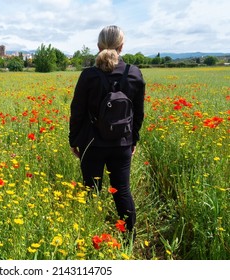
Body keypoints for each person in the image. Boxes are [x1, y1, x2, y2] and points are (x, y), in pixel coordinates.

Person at [69, 25, 145, 233]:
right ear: (122, 46)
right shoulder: (134, 74)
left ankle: (89, 234)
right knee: (122, 191)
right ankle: (129, 237)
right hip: (122, 143)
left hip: (91, 143)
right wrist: (133, 140)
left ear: (98, 46)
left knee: (91, 189)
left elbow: (77, 111)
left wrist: (74, 140)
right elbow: (138, 114)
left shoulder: (88, 76)